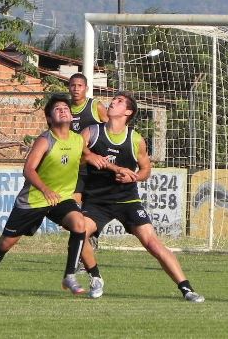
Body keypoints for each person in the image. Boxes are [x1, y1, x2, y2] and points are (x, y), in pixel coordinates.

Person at [79, 92, 205, 302]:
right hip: (96, 201)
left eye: (119, 101)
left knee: (152, 243)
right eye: (114, 100)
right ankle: (95, 277)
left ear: (128, 112)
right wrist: (90, 155)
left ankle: (187, 289)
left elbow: (146, 169)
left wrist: (134, 178)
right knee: (78, 232)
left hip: (127, 200)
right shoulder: (91, 132)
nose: (113, 102)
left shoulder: (135, 139)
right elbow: (77, 151)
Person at [0, 94, 92, 297]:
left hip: (60, 198)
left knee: (80, 224)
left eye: (65, 108)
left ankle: (70, 274)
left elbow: (88, 156)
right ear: (49, 119)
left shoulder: (78, 140)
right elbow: (28, 170)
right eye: (57, 109)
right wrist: (45, 189)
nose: (63, 110)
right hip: (34, 199)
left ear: (71, 116)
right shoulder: (45, 140)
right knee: (6, 243)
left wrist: (112, 166)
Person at [68, 72, 108, 266]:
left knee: (90, 207)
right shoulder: (64, 109)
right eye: (73, 85)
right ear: (69, 88)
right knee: (75, 208)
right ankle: (83, 245)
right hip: (74, 166)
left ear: (86, 88)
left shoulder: (95, 107)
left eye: (79, 85)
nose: (76, 89)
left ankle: (90, 238)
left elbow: (111, 129)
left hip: (94, 166)